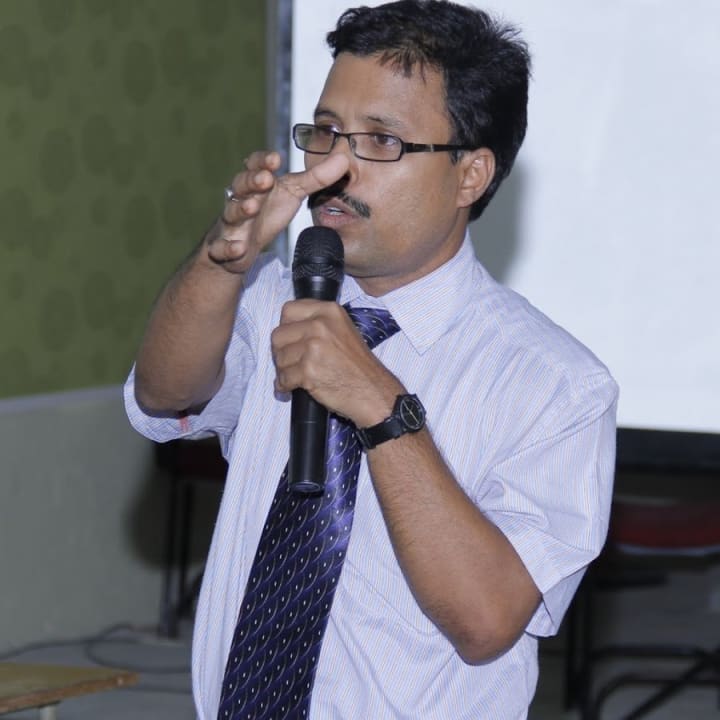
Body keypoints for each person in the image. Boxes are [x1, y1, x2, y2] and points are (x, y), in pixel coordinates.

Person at [124, 1, 618, 717]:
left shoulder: (557, 384)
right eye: (326, 132)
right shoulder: (270, 298)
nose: (334, 167)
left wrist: (383, 409)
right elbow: (164, 394)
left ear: (470, 174)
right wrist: (221, 263)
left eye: (381, 141)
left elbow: (486, 622)